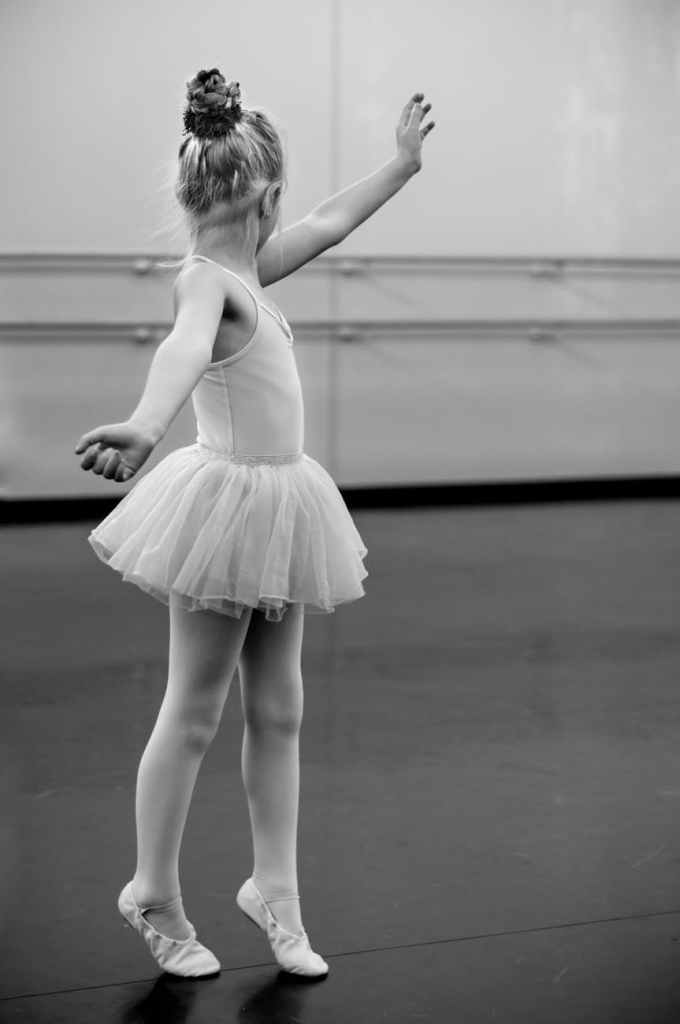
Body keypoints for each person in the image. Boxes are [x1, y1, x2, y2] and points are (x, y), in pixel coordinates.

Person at [74, 67, 435, 980]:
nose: (293, 213)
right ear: (265, 193)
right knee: (194, 713)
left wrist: (400, 167)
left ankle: (275, 891)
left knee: (281, 709)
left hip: (277, 504)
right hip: (223, 507)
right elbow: (183, 352)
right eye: (287, 198)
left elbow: (332, 224)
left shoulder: (248, 268)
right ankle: (151, 891)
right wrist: (149, 427)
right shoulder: (206, 283)